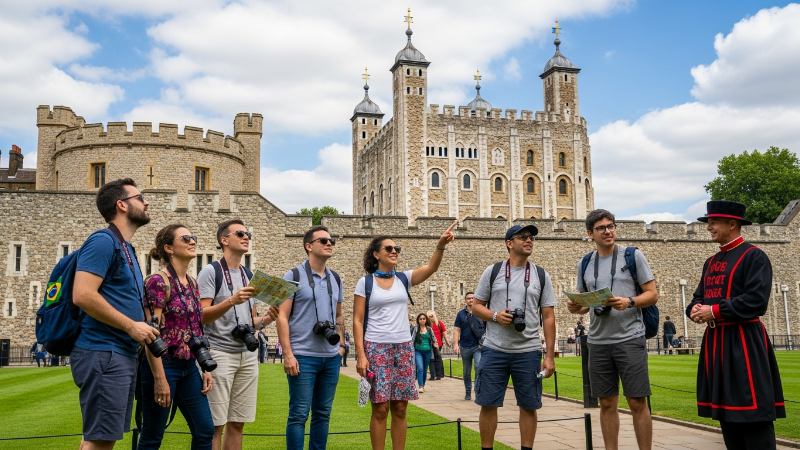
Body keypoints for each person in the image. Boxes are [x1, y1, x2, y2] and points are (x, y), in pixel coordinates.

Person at [687, 200, 785, 449]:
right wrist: (696, 310)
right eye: (708, 222)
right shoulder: (710, 262)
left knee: (752, 413)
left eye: (713, 222)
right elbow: (699, 296)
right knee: (726, 413)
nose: (708, 227)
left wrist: (715, 311)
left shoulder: (754, 256)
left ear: (733, 224)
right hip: (715, 343)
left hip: (744, 341)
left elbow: (756, 301)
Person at [71, 178, 160, 450]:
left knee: (99, 439)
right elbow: (83, 295)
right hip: (103, 352)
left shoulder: (127, 248)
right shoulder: (103, 241)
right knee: (101, 441)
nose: (146, 202)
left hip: (119, 354)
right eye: (139, 197)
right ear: (121, 205)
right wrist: (132, 327)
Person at [353, 221, 457, 450]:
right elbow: (357, 321)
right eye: (388, 248)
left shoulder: (403, 278)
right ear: (376, 254)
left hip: (403, 347)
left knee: (400, 407)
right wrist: (361, 355)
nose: (394, 251)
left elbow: (431, 268)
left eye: (396, 248)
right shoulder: (366, 282)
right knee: (380, 408)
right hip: (376, 347)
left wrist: (440, 245)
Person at [566, 209, 658, 450]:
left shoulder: (633, 256)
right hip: (597, 341)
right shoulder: (584, 263)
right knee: (606, 403)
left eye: (611, 226)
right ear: (590, 233)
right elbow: (586, 304)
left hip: (629, 337)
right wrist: (577, 307)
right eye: (601, 228)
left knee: (637, 402)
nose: (608, 231)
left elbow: (652, 294)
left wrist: (630, 301)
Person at [472, 224, 557, 450]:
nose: (529, 240)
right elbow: (476, 307)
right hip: (494, 349)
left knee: (529, 406)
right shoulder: (493, 272)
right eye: (523, 237)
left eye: (531, 238)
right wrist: (495, 315)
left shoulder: (540, 274)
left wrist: (549, 356)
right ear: (509, 243)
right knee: (488, 404)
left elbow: (548, 316)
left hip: (528, 351)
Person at [198, 219, 278, 450]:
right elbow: (201, 316)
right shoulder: (210, 272)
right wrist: (231, 300)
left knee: (237, 422)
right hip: (219, 354)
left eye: (248, 233)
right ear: (224, 240)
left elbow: (249, 322)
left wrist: (265, 320)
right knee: (216, 424)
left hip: (247, 355)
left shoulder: (249, 274)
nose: (247, 237)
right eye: (241, 233)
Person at [138, 224, 214, 449]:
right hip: (163, 365)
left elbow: (196, 328)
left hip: (189, 366)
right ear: (169, 248)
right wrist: (159, 379)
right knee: (153, 435)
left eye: (193, 237)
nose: (193, 241)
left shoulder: (191, 282)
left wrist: (205, 367)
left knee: (205, 431)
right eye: (186, 238)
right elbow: (151, 335)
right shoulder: (158, 282)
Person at [277, 225, 346, 450]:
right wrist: (288, 354)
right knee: (298, 415)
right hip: (303, 356)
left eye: (331, 240)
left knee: (323, 415)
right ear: (309, 246)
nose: (329, 243)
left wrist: (342, 346)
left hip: (330, 357)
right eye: (323, 240)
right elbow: (282, 316)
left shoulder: (336, 278)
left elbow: (339, 316)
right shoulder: (293, 275)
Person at [453, 292, 483, 401]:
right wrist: (456, 344)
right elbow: (457, 329)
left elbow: (486, 329)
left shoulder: (480, 312)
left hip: (477, 346)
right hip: (465, 346)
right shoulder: (461, 314)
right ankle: (468, 392)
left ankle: (478, 391)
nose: (471, 300)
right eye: (469, 298)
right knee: (466, 372)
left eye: (473, 298)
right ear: (465, 300)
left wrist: (483, 343)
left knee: (478, 367)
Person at [411, 313, 436, 393]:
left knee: (425, 369)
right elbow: (412, 340)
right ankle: (420, 386)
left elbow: (433, 338)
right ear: (418, 320)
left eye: (423, 319)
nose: (422, 320)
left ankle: (423, 385)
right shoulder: (416, 329)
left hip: (428, 351)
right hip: (418, 351)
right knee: (420, 368)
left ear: (426, 320)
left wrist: (435, 344)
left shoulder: (429, 329)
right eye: (420, 319)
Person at [426, 310, 450, 381]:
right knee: (436, 359)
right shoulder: (437, 323)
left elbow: (444, 333)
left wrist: (447, 341)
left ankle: (435, 375)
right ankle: (437, 375)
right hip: (434, 344)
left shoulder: (437, 323)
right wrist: (447, 341)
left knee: (433, 359)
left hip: (435, 344)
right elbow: (444, 333)